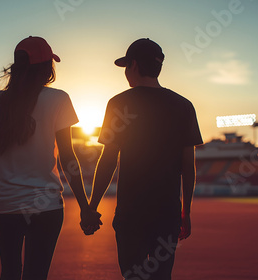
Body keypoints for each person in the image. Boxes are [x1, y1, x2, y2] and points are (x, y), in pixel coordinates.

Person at [0, 36, 102, 280]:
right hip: (45, 207)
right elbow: (68, 158)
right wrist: (85, 208)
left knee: (10, 272)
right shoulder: (58, 99)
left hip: (6, 207)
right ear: (47, 68)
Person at [86, 38, 203, 280]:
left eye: (127, 66)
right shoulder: (183, 106)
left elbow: (108, 160)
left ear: (135, 65)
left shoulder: (119, 103)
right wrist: (186, 211)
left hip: (132, 213)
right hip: (168, 212)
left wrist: (92, 206)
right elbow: (187, 167)